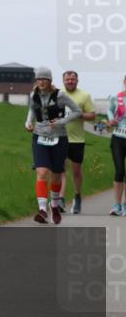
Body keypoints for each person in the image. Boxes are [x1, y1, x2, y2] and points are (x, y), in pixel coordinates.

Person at [24, 66, 82, 224]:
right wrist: (28, 123)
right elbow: (31, 110)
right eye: (39, 79)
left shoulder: (60, 95)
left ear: (50, 81)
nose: (41, 82)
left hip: (59, 138)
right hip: (39, 136)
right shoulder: (33, 95)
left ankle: (54, 205)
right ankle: (42, 210)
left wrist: (61, 122)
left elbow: (77, 111)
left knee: (56, 175)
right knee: (42, 172)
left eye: (44, 79)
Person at [57, 70, 96, 214]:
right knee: (60, 169)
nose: (70, 81)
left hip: (77, 139)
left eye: (73, 79)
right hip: (60, 137)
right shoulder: (58, 94)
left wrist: (79, 115)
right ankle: (60, 199)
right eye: (67, 79)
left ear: (77, 81)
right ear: (63, 81)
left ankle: (77, 196)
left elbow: (92, 115)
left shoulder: (84, 96)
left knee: (76, 171)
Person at [107, 75, 126, 216]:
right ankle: (117, 205)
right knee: (119, 170)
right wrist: (111, 119)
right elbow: (109, 110)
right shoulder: (116, 97)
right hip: (118, 138)